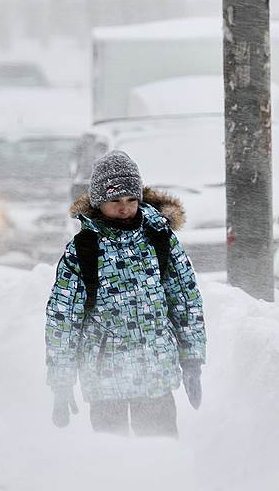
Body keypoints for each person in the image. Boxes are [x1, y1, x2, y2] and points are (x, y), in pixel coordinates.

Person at [45, 150, 206, 437]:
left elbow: (185, 299)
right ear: (98, 202)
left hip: (155, 370)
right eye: (115, 201)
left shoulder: (160, 238)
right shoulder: (84, 248)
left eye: (132, 200)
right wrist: (61, 381)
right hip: (105, 377)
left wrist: (191, 359)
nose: (125, 209)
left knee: (160, 456)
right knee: (112, 464)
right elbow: (63, 317)